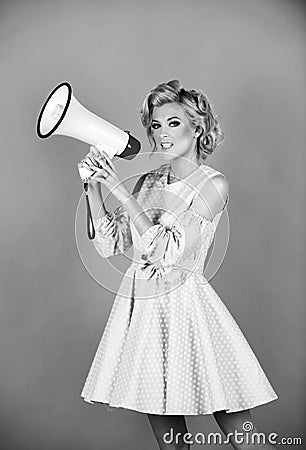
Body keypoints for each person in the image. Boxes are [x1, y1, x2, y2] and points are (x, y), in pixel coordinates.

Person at [79, 80, 278, 450]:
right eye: (155, 125)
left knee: (242, 435)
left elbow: (165, 252)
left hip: (187, 310)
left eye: (173, 123)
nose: (162, 134)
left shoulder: (213, 184)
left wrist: (120, 190)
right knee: (171, 444)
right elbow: (111, 243)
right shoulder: (149, 181)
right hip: (145, 314)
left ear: (197, 127)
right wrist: (93, 187)